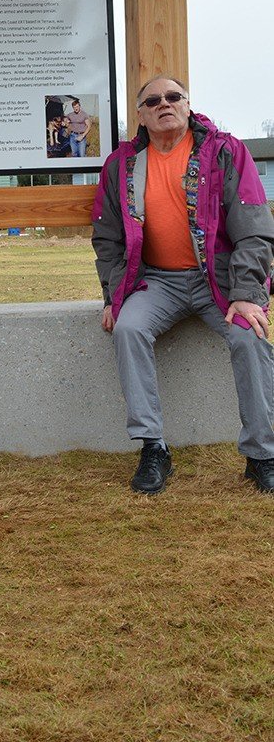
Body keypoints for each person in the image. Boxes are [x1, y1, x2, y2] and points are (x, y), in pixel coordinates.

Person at [92, 75, 274, 495]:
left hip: (221, 280)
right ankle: (153, 446)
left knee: (251, 337)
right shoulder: (123, 165)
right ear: (141, 114)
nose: (164, 104)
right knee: (128, 328)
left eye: (173, 96)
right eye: (152, 100)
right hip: (156, 281)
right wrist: (113, 294)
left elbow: (253, 230)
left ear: (188, 105)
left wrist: (247, 294)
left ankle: (262, 454)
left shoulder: (224, 152)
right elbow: (107, 236)